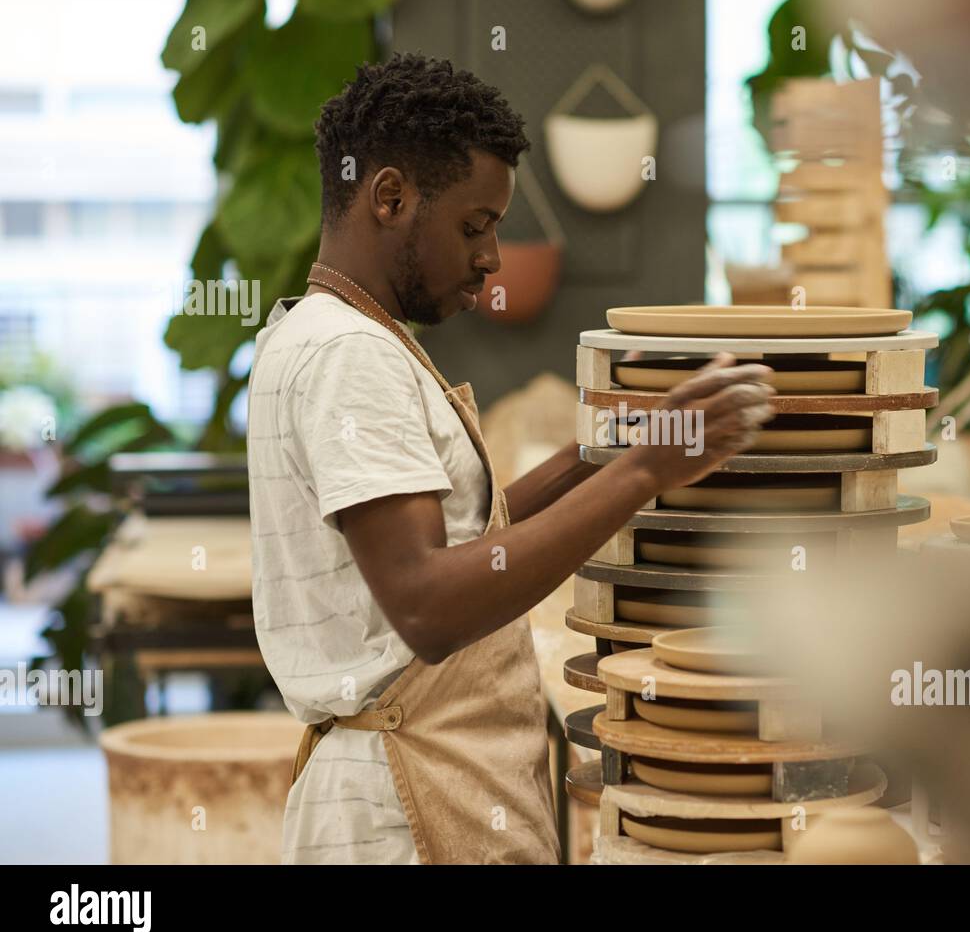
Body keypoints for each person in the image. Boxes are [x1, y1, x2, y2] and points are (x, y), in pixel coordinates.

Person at [246, 53, 775, 863]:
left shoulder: (334, 334)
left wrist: (604, 456)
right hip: (403, 808)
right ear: (389, 197)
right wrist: (645, 476)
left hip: (413, 780)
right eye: (475, 225)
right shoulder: (348, 355)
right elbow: (427, 601)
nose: (491, 259)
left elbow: (465, 540)